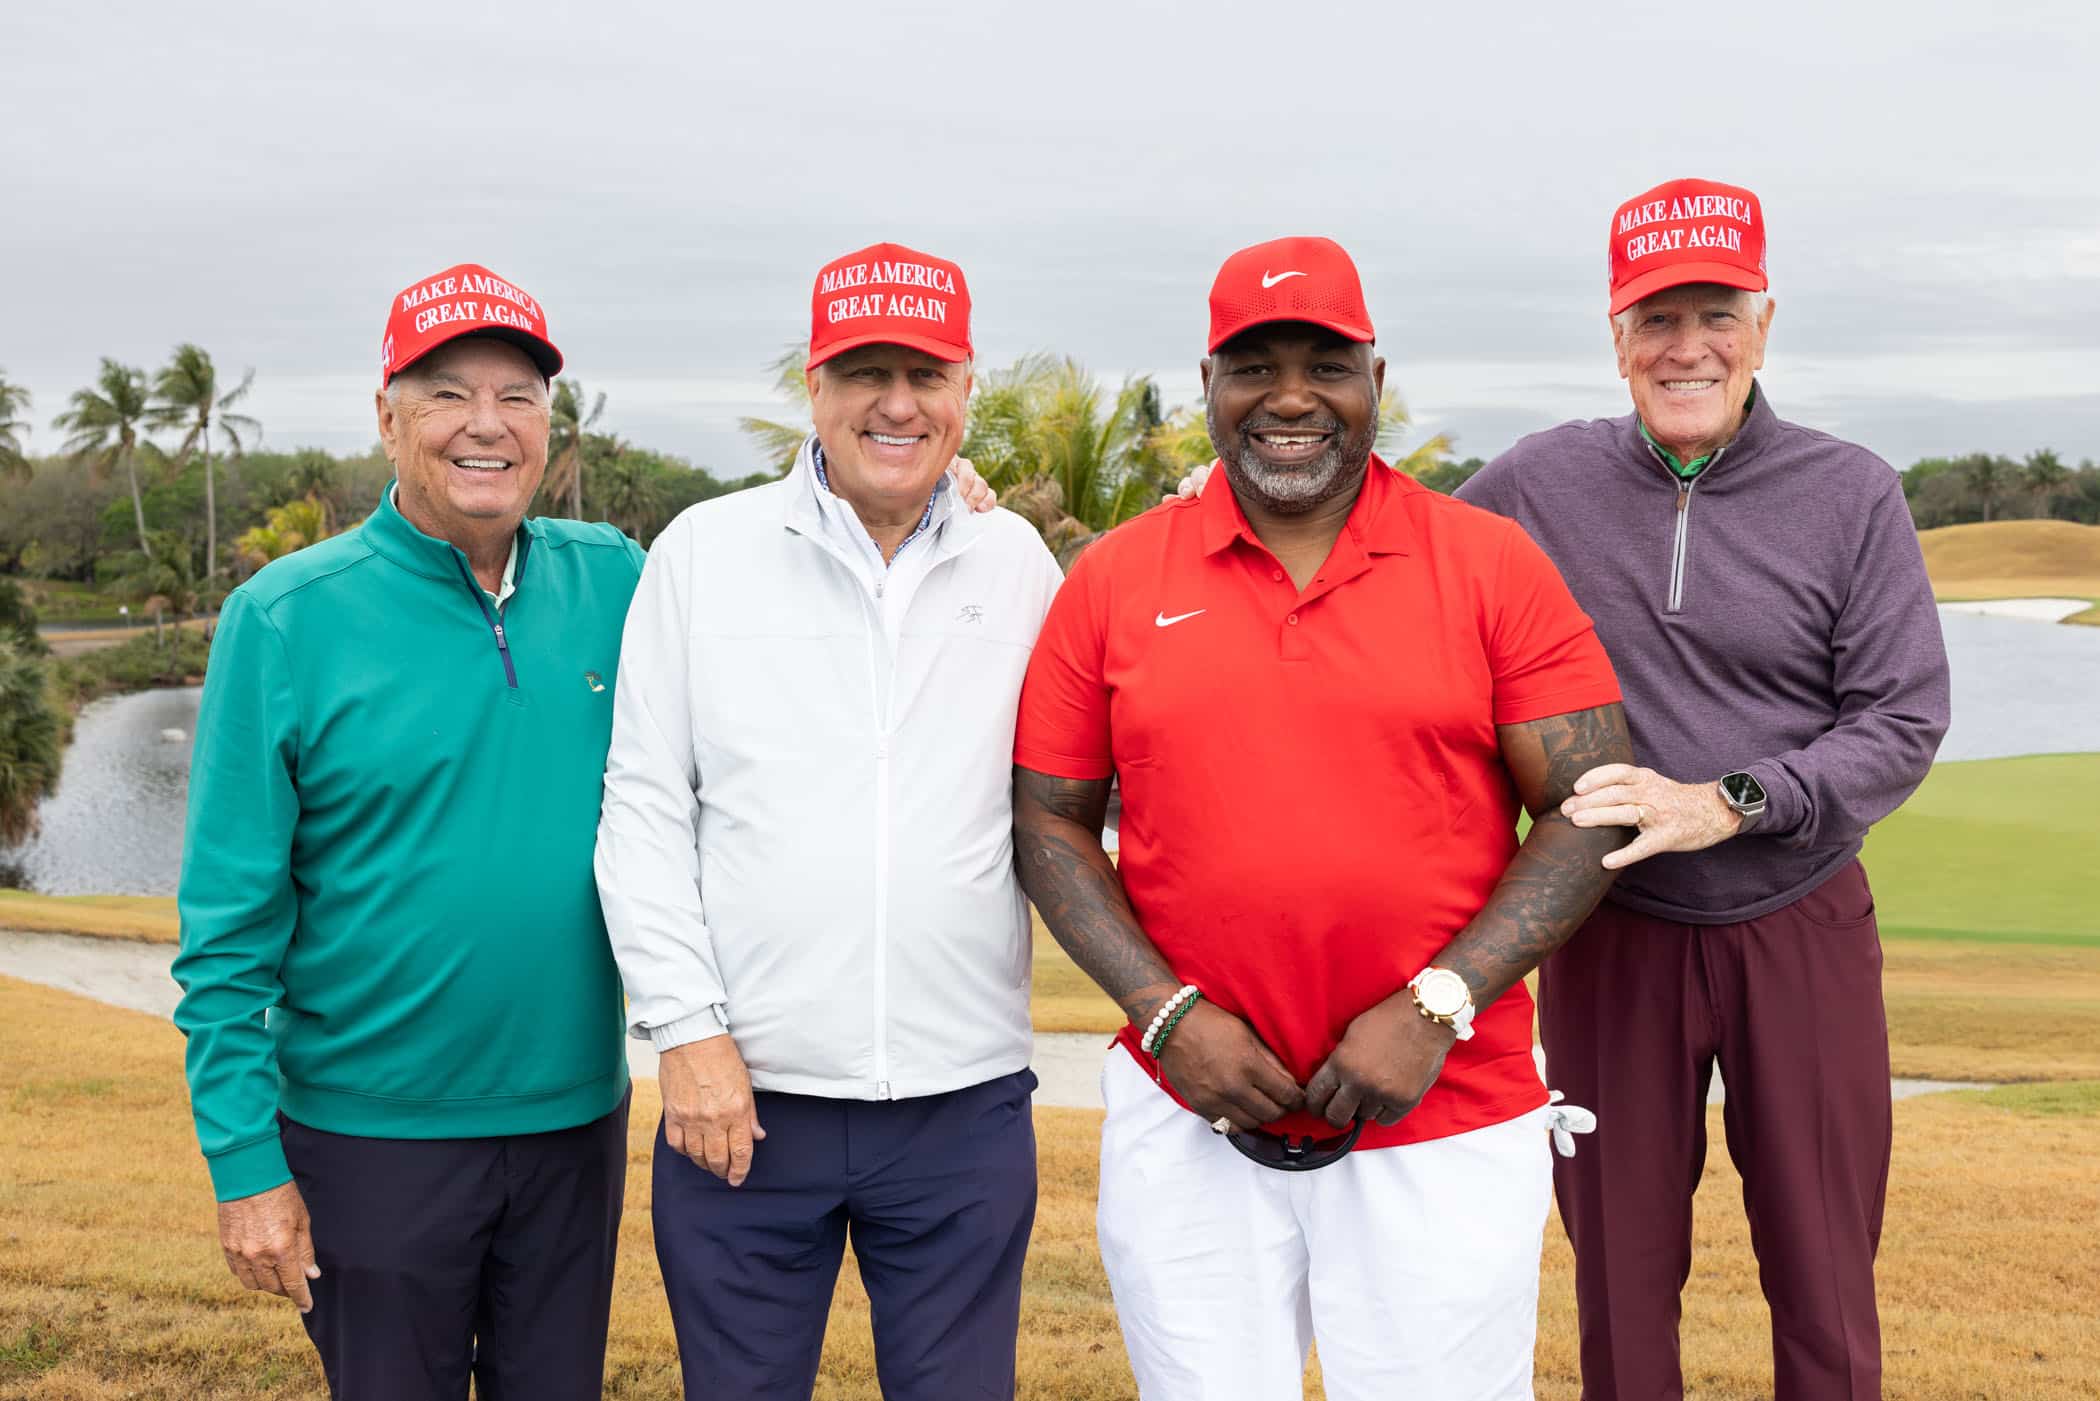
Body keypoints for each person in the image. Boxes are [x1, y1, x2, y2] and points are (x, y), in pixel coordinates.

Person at [1011, 236, 1634, 1400]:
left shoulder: (1490, 563)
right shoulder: (1113, 579)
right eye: (1255, 366)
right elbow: (1048, 820)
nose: (1291, 397)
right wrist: (1167, 1017)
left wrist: (1438, 1006)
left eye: (1327, 365)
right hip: (1189, 1112)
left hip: (1447, 1111)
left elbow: (1591, 807)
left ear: (1375, 381)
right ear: (1207, 384)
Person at [1456, 178, 1952, 1400]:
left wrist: (1727, 800)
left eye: (1717, 315)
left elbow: (1901, 717)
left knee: (1825, 1275)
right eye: (1658, 320)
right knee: (1620, 1282)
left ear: (1764, 327)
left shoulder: (1852, 492)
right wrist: (1221, 495)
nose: (1689, 348)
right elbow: (1391, 554)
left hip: (1800, 919)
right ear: (1616, 337)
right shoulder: (1534, 481)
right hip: (1612, 926)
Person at [595, 241, 1065, 1400]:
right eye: (865, 374)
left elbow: (1077, 784)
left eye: (926, 375)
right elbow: (644, 810)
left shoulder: (1016, 562)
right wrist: (686, 1034)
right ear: (814, 386)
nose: (897, 404)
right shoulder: (704, 551)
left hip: (963, 1107)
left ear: (966, 389)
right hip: (742, 1100)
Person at [171, 264, 643, 1399]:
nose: (487, 423)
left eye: (518, 395)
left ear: (549, 423)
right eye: (446, 394)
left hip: (576, 1124)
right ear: (388, 418)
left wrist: (940, 497)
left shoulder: (620, 579)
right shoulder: (284, 618)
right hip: (369, 1140)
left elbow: (781, 586)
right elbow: (226, 929)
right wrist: (243, 1163)